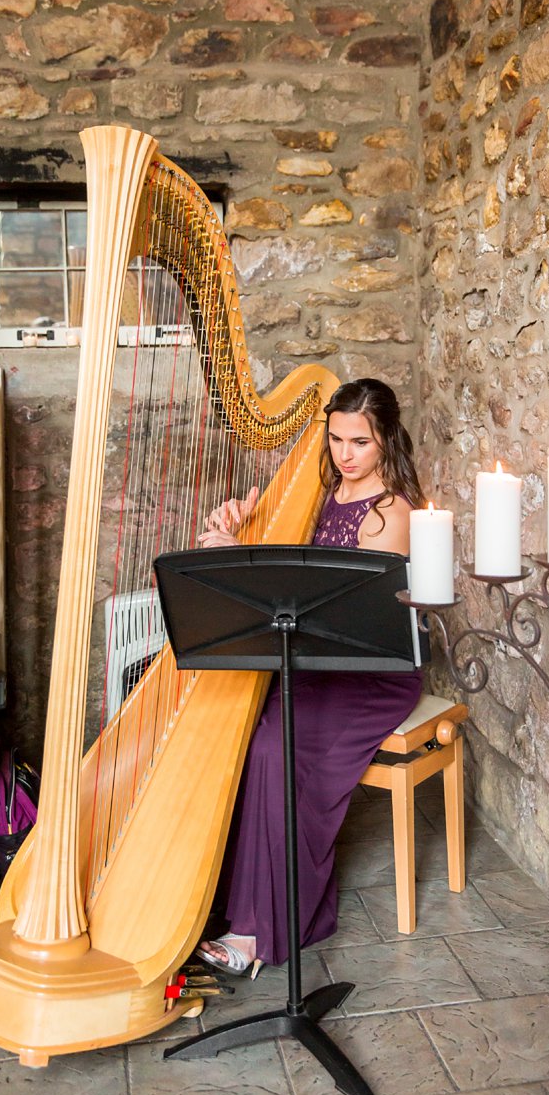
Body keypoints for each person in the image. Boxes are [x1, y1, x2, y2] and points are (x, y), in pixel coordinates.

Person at [194, 377, 426, 976]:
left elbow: (342, 617)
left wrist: (255, 557)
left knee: (274, 743)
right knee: (234, 727)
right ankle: (207, 902)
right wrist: (238, 537)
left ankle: (262, 928)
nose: (345, 455)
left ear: (386, 443)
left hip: (366, 670)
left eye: (360, 443)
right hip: (309, 659)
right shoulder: (320, 492)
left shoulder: (389, 513)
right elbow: (286, 582)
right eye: (336, 439)